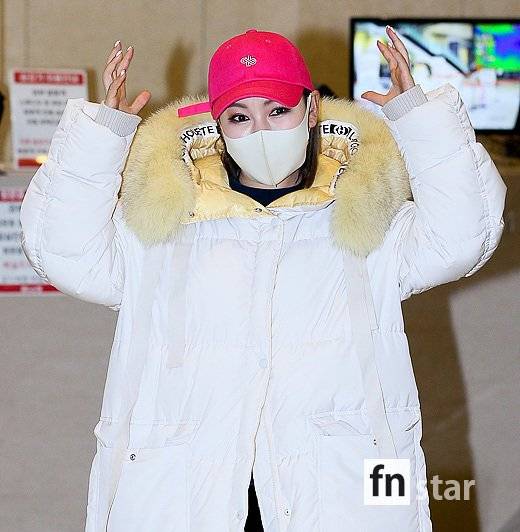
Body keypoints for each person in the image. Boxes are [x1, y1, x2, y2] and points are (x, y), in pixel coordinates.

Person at [19, 27, 506, 532]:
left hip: (347, 481)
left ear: (311, 111)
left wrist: (419, 119)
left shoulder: (364, 214)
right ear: (216, 125)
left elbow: (464, 236)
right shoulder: (165, 222)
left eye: (278, 111)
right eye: (239, 117)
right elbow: (62, 252)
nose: (261, 132)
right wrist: (100, 136)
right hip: (184, 489)